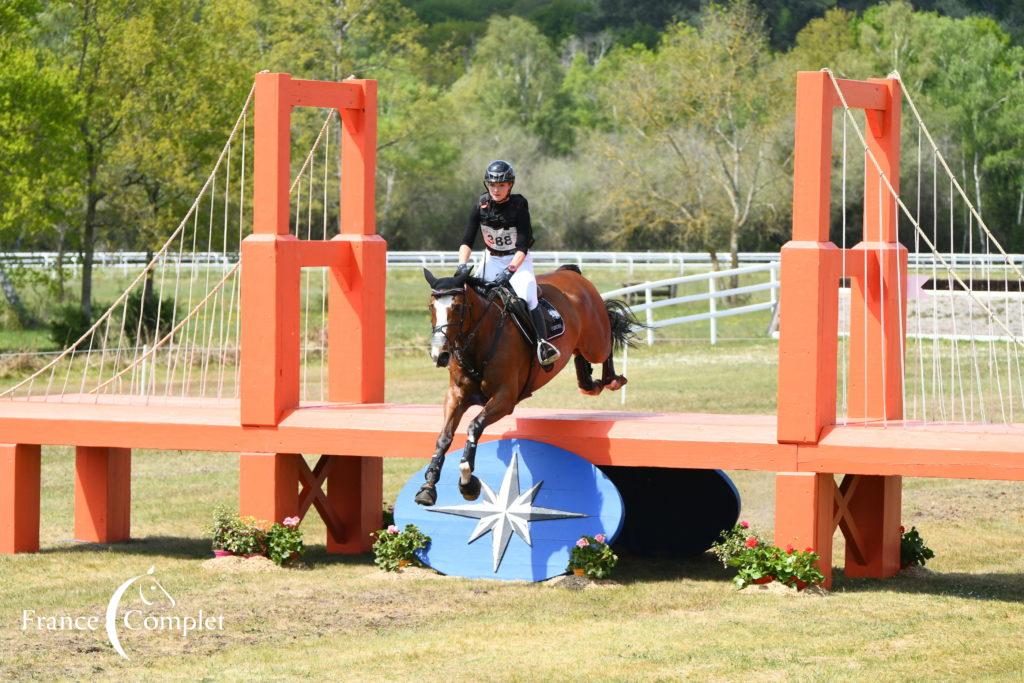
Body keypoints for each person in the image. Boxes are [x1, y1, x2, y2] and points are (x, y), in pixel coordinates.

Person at [454, 160, 560, 366]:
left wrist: (510, 270)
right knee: (471, 295)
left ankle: (542, 344)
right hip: (491, 258)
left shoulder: (519, 205)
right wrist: (462, 265)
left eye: (501, 185)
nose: (496, 189)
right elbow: (466, 241)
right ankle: (459, 345)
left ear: (510, 185)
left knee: (528, 293)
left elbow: (523, 246)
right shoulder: (481, 205)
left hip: (516, 259)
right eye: (492, 184)